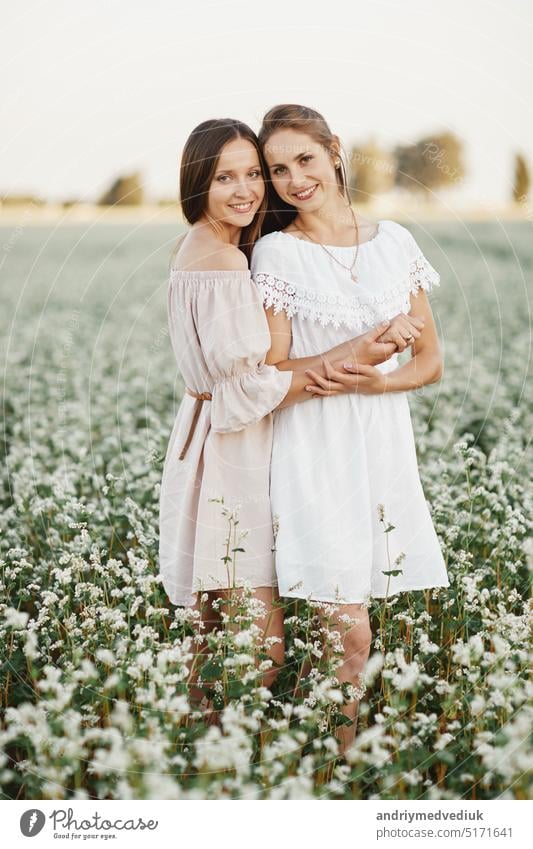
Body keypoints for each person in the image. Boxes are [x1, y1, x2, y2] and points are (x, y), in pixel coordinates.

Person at [158, 118, 414, 704]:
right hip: (232, 455)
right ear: (196, 181)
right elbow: (246, 388)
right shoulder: (222, 262)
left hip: (212, 443)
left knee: (215, 640)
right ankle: (216, 772)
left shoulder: (207, 246)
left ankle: (200, 760)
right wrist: (352, 358)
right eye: (226, 177)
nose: (246, 189)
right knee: (257, 656)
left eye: (254, 174)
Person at [251, 103, 450, 752]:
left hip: (380, 449)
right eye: (277, 169)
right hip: (315, 455)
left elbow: (428, 361)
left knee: (339, 638)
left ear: (333, 149)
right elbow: (272, 374)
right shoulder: (277, 253)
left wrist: (375, 378)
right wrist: (364, 345)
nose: (292, 179)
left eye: (303, 159)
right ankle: (333, 777)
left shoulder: (395, 241)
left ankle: (307, 765)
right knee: (351, 633)